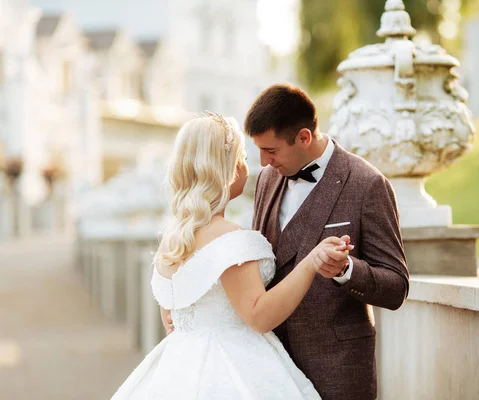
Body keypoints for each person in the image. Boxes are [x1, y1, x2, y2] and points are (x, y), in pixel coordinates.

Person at [111, 112, 352, 399]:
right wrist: (311, 262)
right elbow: (259, 316)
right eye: (242, 157)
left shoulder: (174, 239)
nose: (249, 165)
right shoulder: (229, 238)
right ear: (228, 167)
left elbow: (172, 317)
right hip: (233, 366)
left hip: (178, 367)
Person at [246, 83, 410, 400]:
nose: (264, 162)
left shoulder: (367, 184)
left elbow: (396, 286)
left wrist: (347, 269)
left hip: (337, 370)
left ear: (304, 137)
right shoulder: (268, 179)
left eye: (271, 150)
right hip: (272, 367)